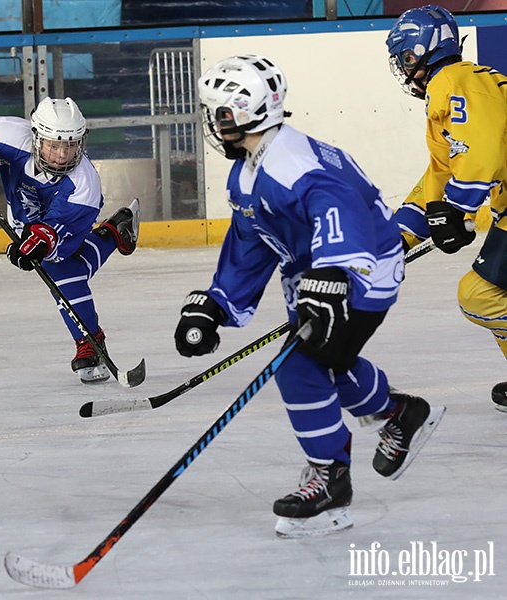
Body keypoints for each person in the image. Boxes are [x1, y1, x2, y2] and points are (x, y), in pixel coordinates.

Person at [175, 54, 445, 537]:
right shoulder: (249, 171)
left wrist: (334, 273)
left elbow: (339, 210)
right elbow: (254, 237)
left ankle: (330, 480)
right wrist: (219, 303)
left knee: (300, 364)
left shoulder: (292, 164)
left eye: (217, 112)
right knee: (328, 362)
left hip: (362, 270)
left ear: (239, 114)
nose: (213, 123)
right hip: (315, 276)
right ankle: (401, 413)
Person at [0, 97, 140, 384]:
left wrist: (37, 243)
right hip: (24, 215)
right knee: (62, 267)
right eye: (53, 144)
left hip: (70, 218)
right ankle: (114, 232)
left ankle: (89, 341)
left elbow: (51, 234)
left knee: (61, 270)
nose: (62, 154)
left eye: (70, 145)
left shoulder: (84, 186)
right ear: (36, 137)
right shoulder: (10, 133)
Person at [386, 5, 507, 412]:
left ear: (425, 50)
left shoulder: (454, 81)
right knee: (483, 294)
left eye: (405, 58)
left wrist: (458, 208)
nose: (404, 69)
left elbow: (482, 149)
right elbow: (440, 172)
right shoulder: (453, 88)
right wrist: (398, 235)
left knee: (479, 294)